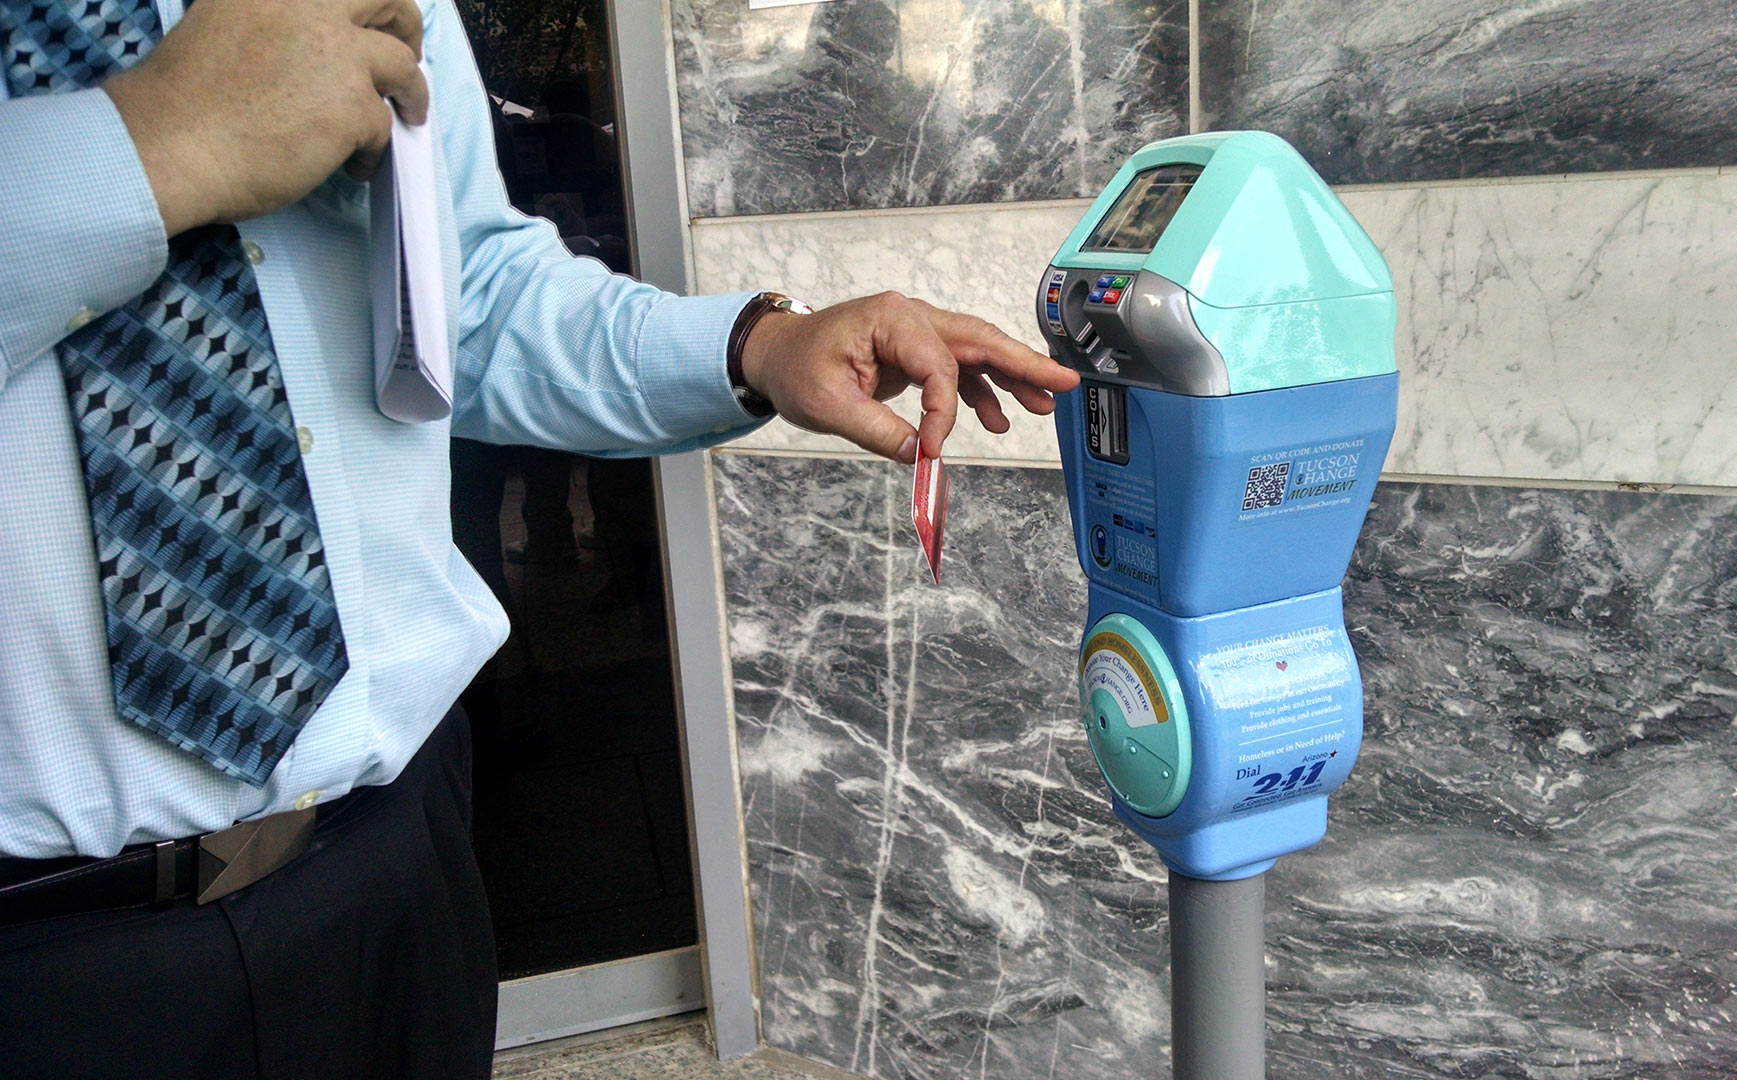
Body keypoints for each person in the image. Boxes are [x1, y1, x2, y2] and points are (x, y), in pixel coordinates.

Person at [0, 1, 1080, 1077]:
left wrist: (760, 345)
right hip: (46, 951)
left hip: (390, 873)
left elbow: (467, 296)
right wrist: (145, 149)